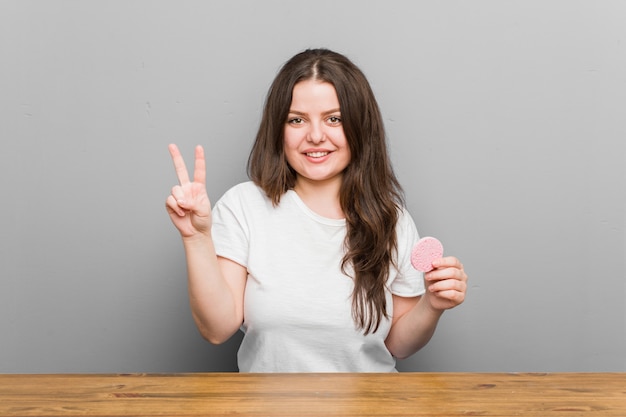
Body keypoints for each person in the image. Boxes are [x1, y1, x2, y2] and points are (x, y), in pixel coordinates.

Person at [166, 48, 467, 372]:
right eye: (297, 120)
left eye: (333, 119)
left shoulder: (392, 220)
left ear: (359, 127)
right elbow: (216, 328)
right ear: (278, 129)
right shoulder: (244, 207)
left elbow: (398, 344)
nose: (315, 136)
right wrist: (197, 239)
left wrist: (432, 305)